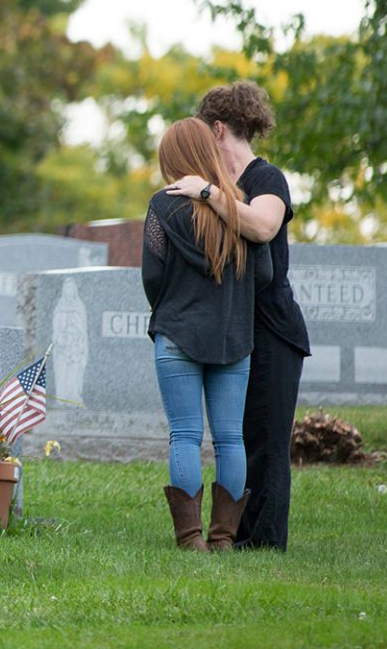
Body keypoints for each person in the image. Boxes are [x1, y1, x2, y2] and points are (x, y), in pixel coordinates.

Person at [165, 81, 307, 551]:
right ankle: (234, 535)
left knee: (266, 439)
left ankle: (263, 542)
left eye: (207, 138)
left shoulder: (267, 180)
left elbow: (264, 226)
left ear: (219, 129)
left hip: (272, 328)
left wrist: (207, 192)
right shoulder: (220, 189)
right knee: (238, 436)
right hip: (231, 327)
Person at [143, 118, 271, 551]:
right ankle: (223, 539)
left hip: (177, 335)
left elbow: (152, 275)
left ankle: (189, 538)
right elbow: (265, 273)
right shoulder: (239, 205)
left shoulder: (162, 207)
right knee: (230, 437)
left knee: (184, 434)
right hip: (233, 339)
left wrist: (171, 305)